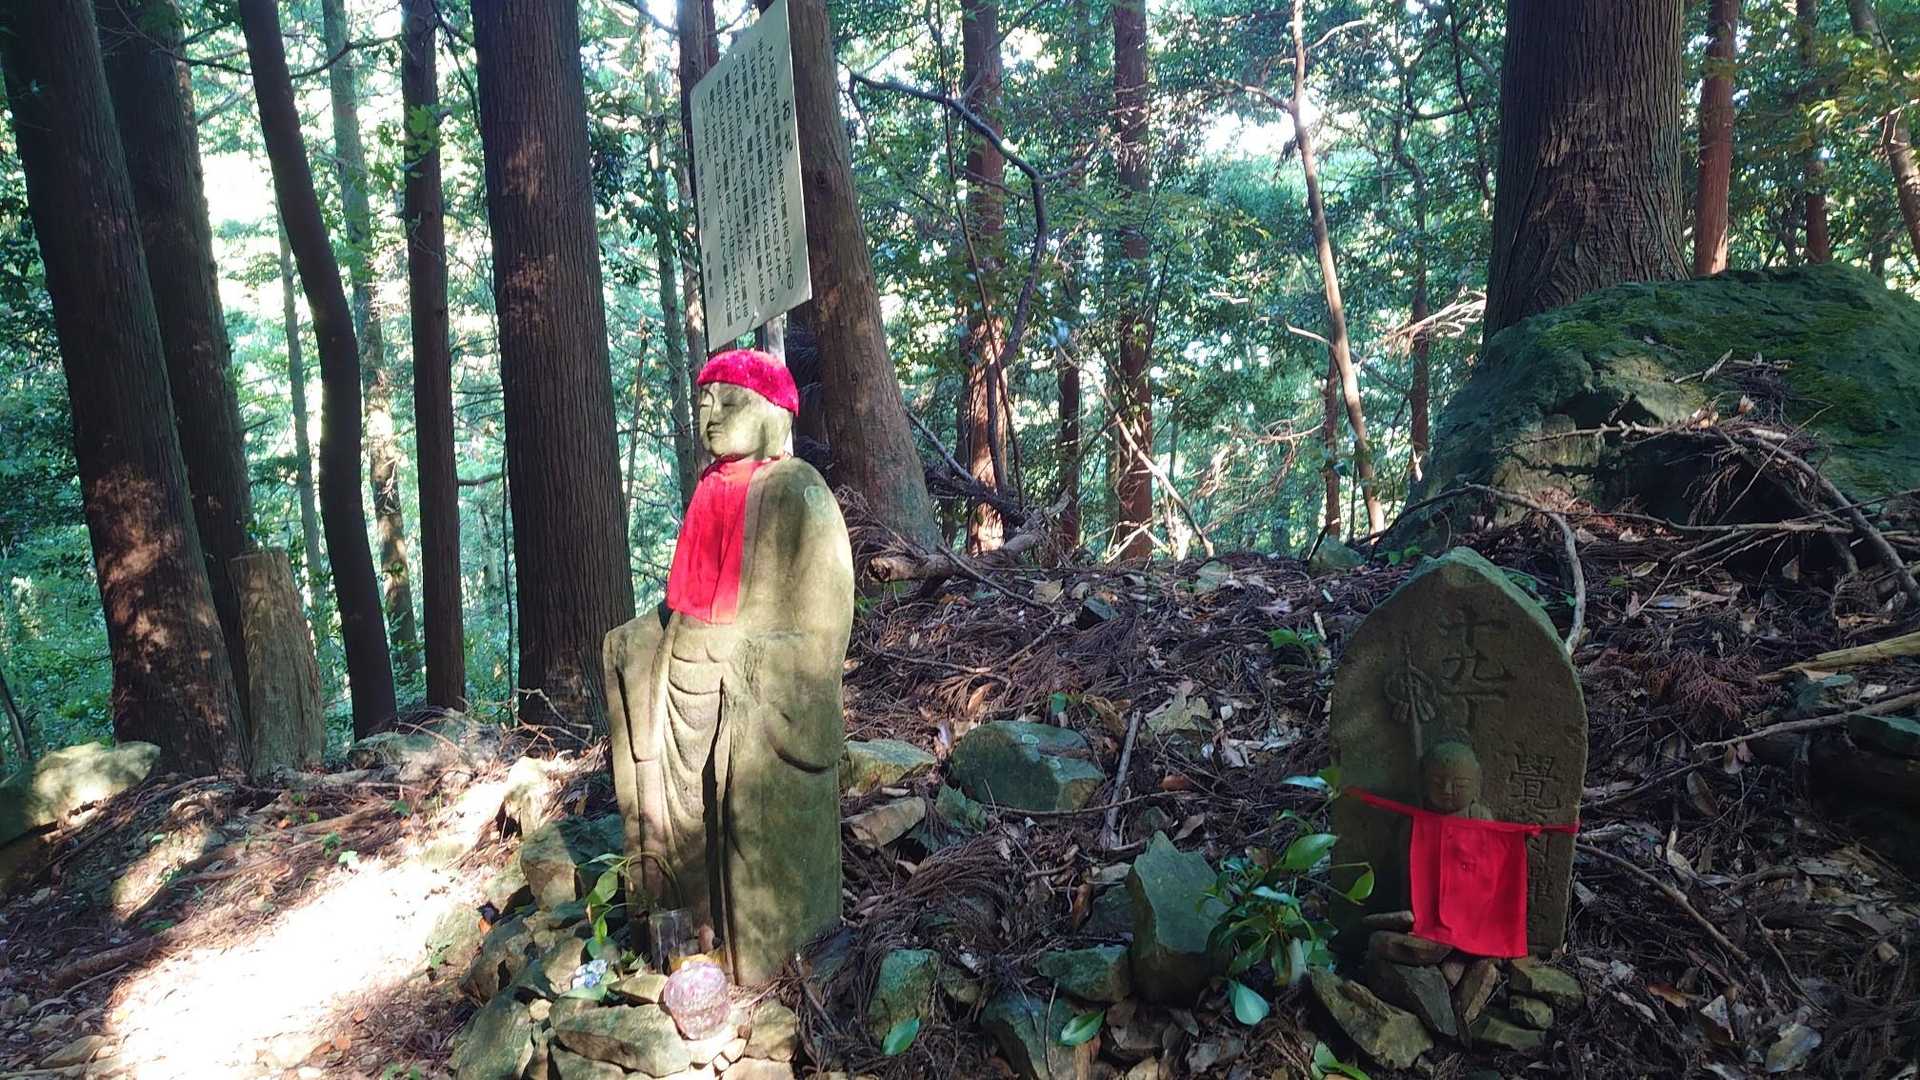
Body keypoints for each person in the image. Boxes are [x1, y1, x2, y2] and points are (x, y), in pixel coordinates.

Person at [603, 348, 854, 985]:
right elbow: (684, 599)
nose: (711, 416)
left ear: (773, 413)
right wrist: (641, 638)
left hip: (749, 690)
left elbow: (826, 623)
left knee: (737, 819)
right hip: (683, 679)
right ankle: (695, 930)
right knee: (687, 825)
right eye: (704, 402)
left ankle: (756, 953)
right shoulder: (709, 489)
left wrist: (760, 660)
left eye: (730, 401)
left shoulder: (798, 489)